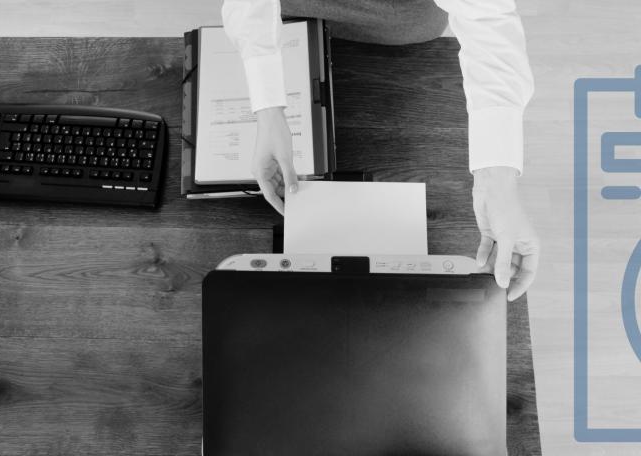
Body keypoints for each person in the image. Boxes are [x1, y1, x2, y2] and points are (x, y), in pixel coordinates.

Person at [222, 0, 540, 301]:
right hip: (283, 14)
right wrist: (268, 112)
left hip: (395, 24)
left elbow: (487, 19)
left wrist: (496, 181)